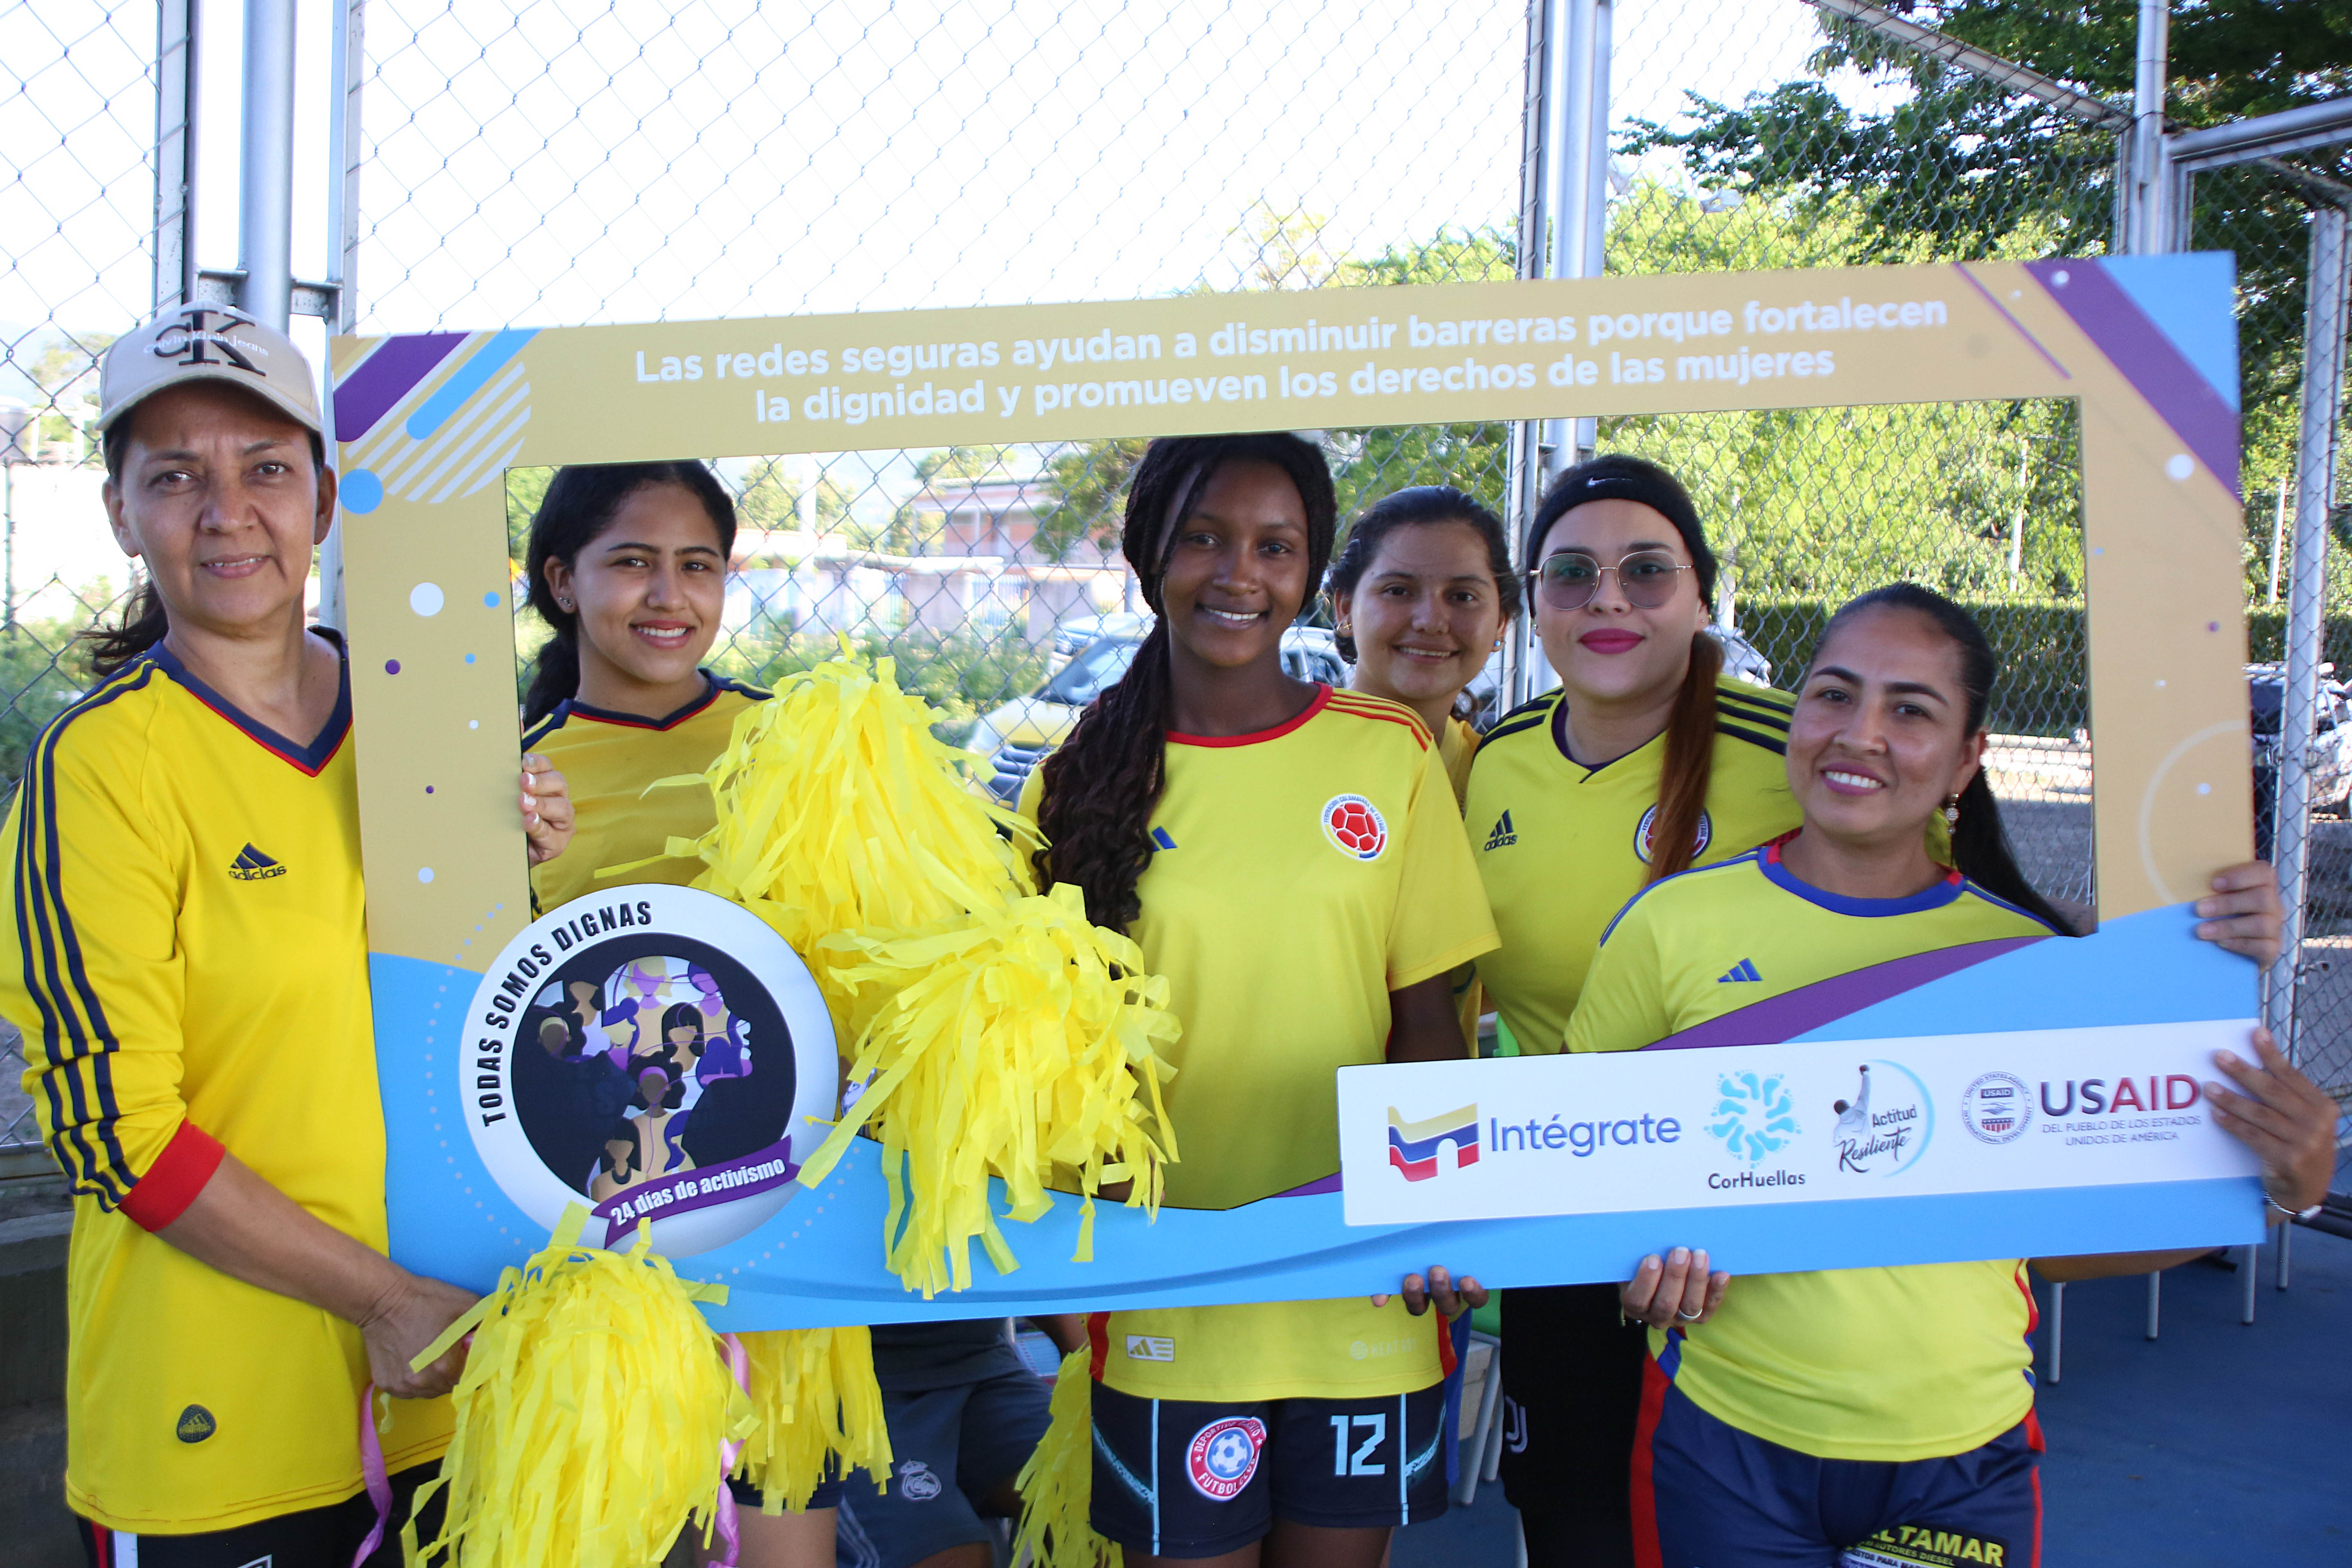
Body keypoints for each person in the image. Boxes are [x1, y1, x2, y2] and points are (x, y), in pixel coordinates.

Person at [1462, 455, 2290, 1568]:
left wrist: (2192, 936)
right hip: (1608, 1226)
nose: (1608, 599)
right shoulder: (1502, 765)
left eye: (1647, 571)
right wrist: (1462, 1205)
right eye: (1572, 572)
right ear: (1536, 599)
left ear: (1703, 598)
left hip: (1870, 1358)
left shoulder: (1810, 758)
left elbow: (1951, 920)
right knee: (1576, 1518)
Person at [0, 303, 571, 1566]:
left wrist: (524, 879)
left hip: (457, 1374)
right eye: (176, 476)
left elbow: (488, 1024)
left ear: (325, 494)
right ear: (119, 513)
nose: (225, 511)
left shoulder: (429, 715)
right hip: (222, 1414)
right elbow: (114, 1127)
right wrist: (381, 1296)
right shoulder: (101, 766)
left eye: (264, 469)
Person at [519, 460, 1082, 1568]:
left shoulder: (807, 747)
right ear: (562, 580)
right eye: (631, 562)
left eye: (699, 566)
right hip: (601, 1249)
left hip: (781, 1248)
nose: (669, 595)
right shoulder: (513, 780)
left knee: (790, 1545)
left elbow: (897, 975)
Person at [1022, 432, 1498, 1568]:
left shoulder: (1388, 756)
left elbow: (1429, 1018)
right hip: (1167, 1283)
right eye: (1205, 538)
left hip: (1361, 1278)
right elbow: (1043, 1046)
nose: (1240, 573)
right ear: (1150, 558)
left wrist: (1447, 1211)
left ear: (1309, 574)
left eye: (1275, 546)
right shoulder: (1080, 774)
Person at [1325, 485, 1521, 804]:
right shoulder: (1280, 752)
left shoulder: (1505, 782)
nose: (1430, 621)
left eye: (1463, 597)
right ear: (1345, 608)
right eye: (1398, 591)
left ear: (1501, 621)